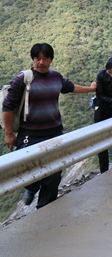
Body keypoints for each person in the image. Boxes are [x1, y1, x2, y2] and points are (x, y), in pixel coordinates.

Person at [2, 43, 96, 208]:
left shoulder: (56, 77)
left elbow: (71, 87)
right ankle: (31, 187)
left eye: (45, 58)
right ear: (33, 59)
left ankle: (44, 209)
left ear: (51, 60)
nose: (41, 62)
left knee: (53, 174)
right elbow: (8, 107)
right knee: (28, 169)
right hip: (29, 134)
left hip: (54, 133)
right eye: (37, 58)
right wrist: (9, 133)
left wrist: (91, 89)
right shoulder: (22, 79)